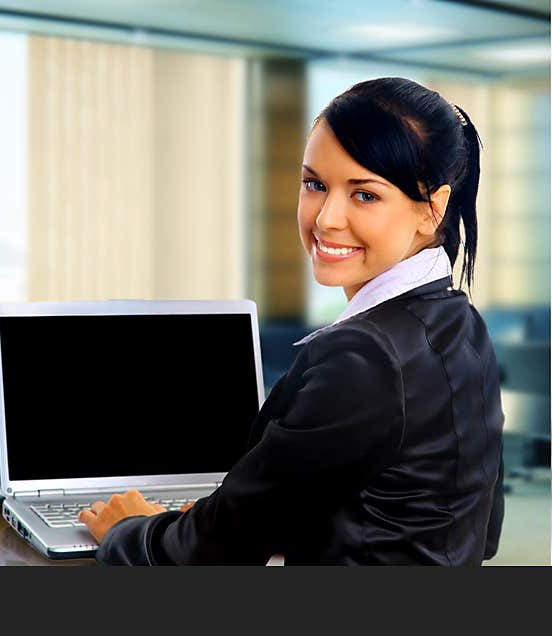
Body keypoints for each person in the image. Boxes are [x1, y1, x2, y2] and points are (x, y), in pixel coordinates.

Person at [77, 77, 505, 565]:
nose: (325, 219)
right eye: (315, 185)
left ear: (435, 208)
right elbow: (477, 528)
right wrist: (268, 516)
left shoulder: (367, 358)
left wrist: (127, 530)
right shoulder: (463, 327)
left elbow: (203, 556)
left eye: (365, 194)